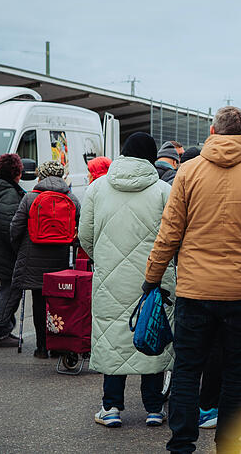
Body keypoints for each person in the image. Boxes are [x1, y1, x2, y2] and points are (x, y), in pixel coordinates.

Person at [144, 106, 241, 453]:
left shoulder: (188, 172)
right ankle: (229, 444)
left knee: (188, 370)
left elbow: (169, 233)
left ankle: (181, 445)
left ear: (212, 132)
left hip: (195, 291)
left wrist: (152, 276)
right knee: (237, 372)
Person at [78, 132, 176, 429]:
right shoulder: (163, 190)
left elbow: (85, 235)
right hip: (154, 279)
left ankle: (111, 407)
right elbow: (173, 237)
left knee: (112, 338)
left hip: (110, 278)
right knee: (153, 332)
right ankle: (154, 408)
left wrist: (104, 258)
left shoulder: (97, 188)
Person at [10, 160, 80, 358]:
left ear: (40, 176)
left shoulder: (30, 198)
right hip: (60, 261)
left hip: (33, 259)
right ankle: (57, 346)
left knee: (39, 302)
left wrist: (20, 249)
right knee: (58, 303)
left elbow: (15, 227)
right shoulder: (71, 198)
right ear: (61, 176)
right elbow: (79, 229)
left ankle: (41, 347)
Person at [0, 153, 27, 347]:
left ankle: (2, 327)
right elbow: (10, 227)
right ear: (14, 173)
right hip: (5, 251)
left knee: (8, 288)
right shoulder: (8, 192)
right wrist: (20, 249)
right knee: (11, 290)